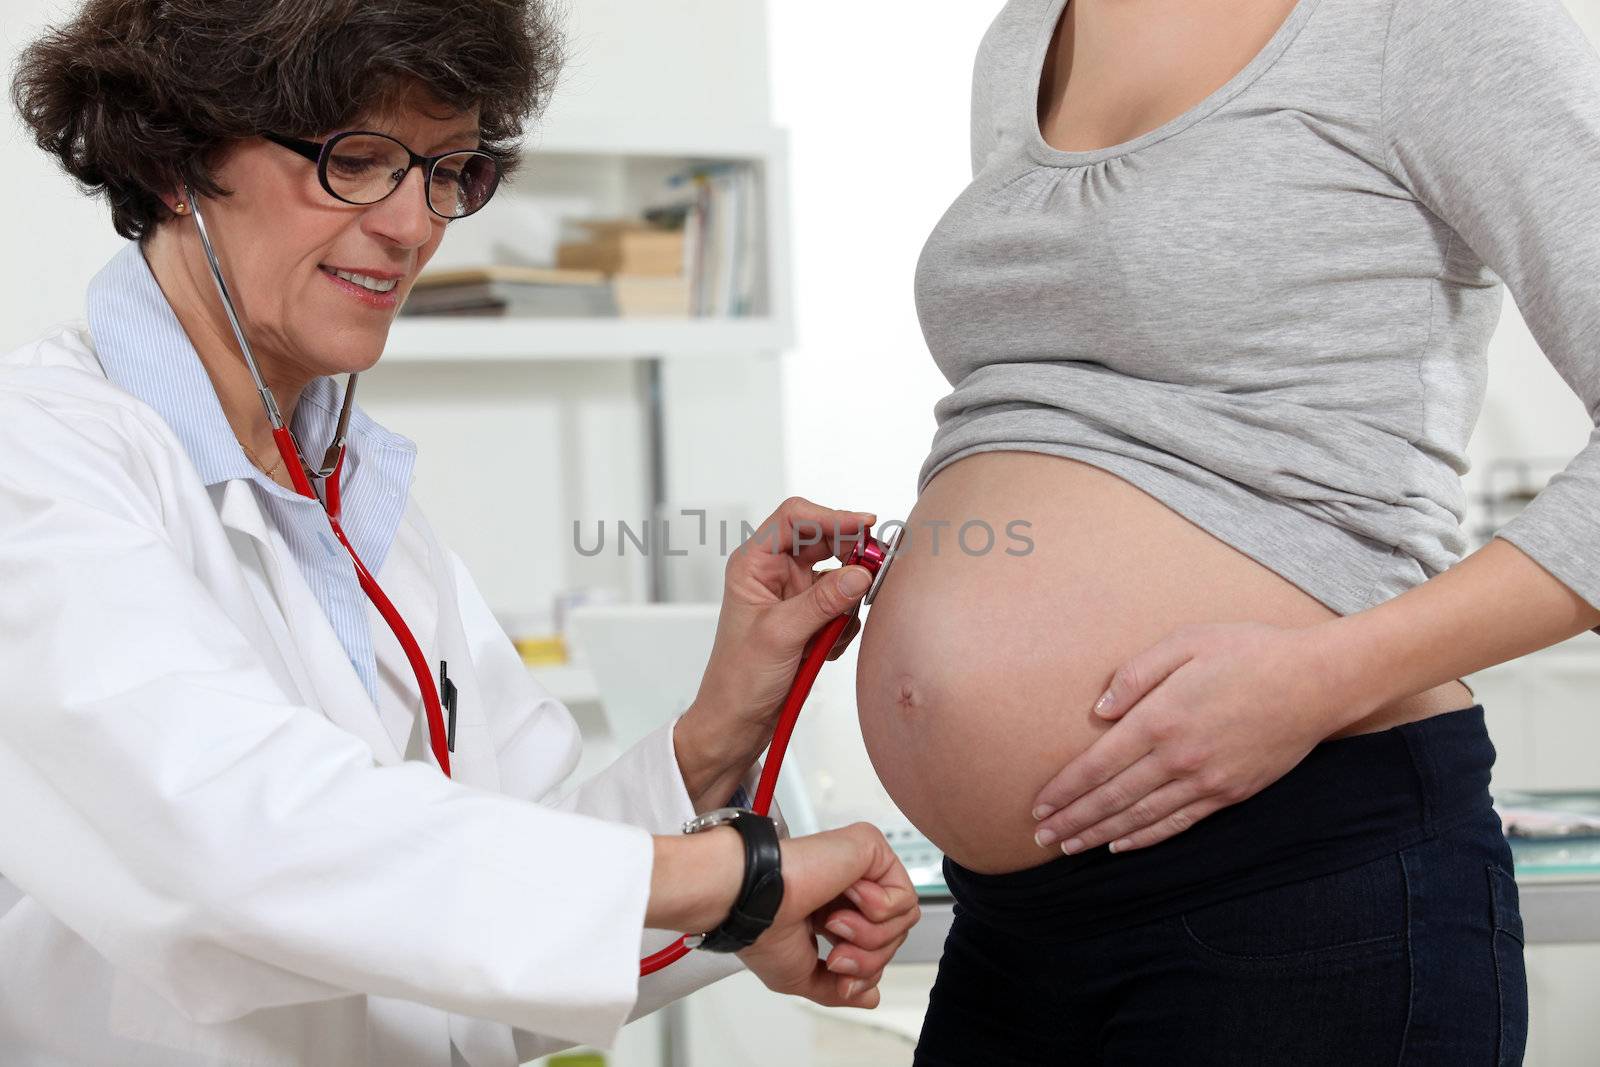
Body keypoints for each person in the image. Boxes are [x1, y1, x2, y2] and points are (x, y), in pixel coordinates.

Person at [0, 2, 919, 1064]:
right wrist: (736, 876)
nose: (414, 226)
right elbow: (239, 841)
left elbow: (480, 925)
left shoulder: (356, 496)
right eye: (356, 160)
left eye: (445, 170)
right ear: (174, 158)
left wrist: (719, 724)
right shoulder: (38, 458)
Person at [855, 0, 1600, 1061]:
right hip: (1013, 926)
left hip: (1297, 878)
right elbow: (1102, 411)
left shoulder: (1430, 20)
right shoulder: (1030, 32)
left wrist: (1328, 673)